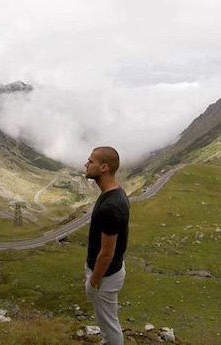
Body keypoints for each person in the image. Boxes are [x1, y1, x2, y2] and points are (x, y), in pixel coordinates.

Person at [84, 146, 130, 345]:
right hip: (109, 273)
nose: (86, 164)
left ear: (103, 167)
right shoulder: (114, 193)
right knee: (106, 323)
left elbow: (106, 253)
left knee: (110, 328)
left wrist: (93, 281)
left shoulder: (110, 206)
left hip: (104, 276)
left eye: (91, 161)